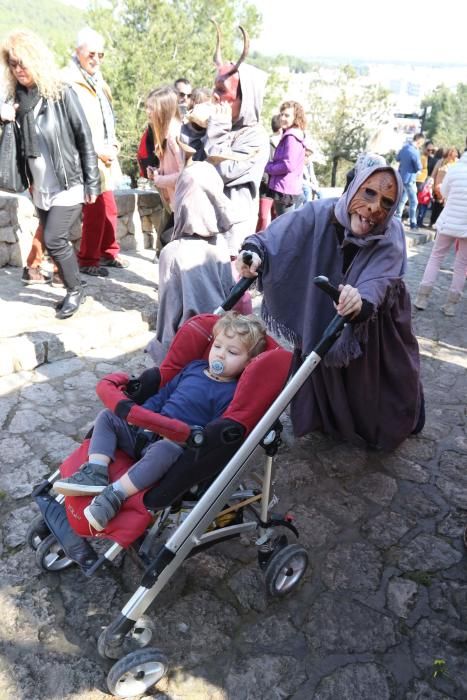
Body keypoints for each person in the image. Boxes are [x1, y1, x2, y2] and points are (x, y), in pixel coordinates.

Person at [235, 162, 425, 451]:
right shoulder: (320, 212)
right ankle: (326, 419)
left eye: (387, 202)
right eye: (369, 194)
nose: (374, 209)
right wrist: (254, 253)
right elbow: (276, 236)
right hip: (322, 307)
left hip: (376, 322)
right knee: (319, 357)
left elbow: (379, 279)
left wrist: (360, 299)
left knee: (381, 379)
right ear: (352, 190)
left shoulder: (391, 234)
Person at [53, 311, 267, 531]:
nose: (220, 355)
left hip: (175, 442)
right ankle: (95, 472)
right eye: (218, 346)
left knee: (165, 450)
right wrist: (141, 415)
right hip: (147, 428)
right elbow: (163, 395)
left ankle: (115, 495)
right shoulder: (193, 368)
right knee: (108, 416)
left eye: (232, 352)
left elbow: (212, 430)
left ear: (248, 363)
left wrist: (186, 435)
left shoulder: (230, 393)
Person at [0, 29, 100, 319]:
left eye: (23, 62)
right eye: (13, 63)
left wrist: (92, 181)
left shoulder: (61, 93)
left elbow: (84, 137)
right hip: (39, 185)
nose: (18, 69)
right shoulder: (15, 100)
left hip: (68, 181)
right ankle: (73, 286)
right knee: (54, 239)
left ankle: (75, 289)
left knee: (55, 238)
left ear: (37, 60)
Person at [145, 158, 241, 363]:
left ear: (181, 199)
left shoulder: (172, 253)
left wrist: (162, 361)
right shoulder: (220, 246)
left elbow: (168, 320)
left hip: (185, 353)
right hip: (218, 346)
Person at [190, 22, 269, 257]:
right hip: (204, 225)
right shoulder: (221, 126)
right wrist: (196, 128)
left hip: (230, 236)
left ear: (243, 100)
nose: (215, 97)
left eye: (222, 91)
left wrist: (216, 131)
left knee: (228, 291)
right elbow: (193, 166)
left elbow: (221, 171)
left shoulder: (256, 137)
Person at [64, 27, 128, 277]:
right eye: (92, 54)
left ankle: (107, 252)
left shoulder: (98, 80)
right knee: (95, 208)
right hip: (85, 156)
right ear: (77, 51)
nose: (96, 59)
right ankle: (88, 260)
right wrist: (96, 149)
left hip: (105, 154)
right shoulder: (68, 81)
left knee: (108, 207)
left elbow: (106, 118)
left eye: (101, 55)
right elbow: (72, 125)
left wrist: (113, 144)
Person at [414, 141, 467, 317]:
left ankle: (422, 298)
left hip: (448, 221)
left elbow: (443, 192)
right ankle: (451, 305)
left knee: (436, 257)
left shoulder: (454, 169)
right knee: (462, 264)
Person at [264, 100, 307, 216]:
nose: (282, 118)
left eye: (287, 115)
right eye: (281, 114)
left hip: (285, 189)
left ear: (296, 118)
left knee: (284, 228)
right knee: (289, 227)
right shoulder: (296, 134)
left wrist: (268, 167)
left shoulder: (291, 137)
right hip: (292, 188)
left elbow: (288, 164)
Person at [256, 114, 282, 231]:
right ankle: (257, 243)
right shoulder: (266, 142)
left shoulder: (286, 143)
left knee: (277, 219)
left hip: (279, 187)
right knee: (263, 217)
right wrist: (265, 179)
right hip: (266, 188)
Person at [395, 133, 424, 231]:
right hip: (410, 179)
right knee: (414, 202)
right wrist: (418, 170)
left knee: (402, 200)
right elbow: (418, 166)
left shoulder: (405, 148)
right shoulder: (415, 151)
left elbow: (397, 158)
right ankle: (413, 223)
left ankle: (397, 219)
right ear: (419, 141)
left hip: (401, 176)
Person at [430, 147, 458, 227]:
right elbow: (434, 174)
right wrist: (431, 184)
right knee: (436, 206)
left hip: (448, 189)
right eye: (450, 156)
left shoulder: (456, 163)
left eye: (453, 156)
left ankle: (439, 224)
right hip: (437, 189)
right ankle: (433, 222)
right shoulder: (440, 162)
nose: (451, 158)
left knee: (444, 207)